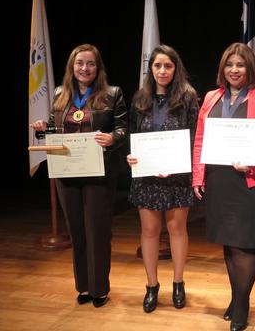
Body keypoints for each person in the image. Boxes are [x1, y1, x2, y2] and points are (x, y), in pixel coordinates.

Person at [30, 43, 127, 307]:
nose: (85, 68)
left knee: (97, 231)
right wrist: (41, 129)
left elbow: (123, 128)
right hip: (67, 173)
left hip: (99, 173)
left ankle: (100, 288)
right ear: (72, 67)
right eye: (80, 63)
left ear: (98, 67)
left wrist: (112, 138)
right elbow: (51, 131)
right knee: (77, 231)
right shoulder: (61, 94)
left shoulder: (112, 93)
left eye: (90, 63)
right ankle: (84, 287)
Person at [192, 42, 255, 331]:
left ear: (250, 67)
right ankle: (237, 297)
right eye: (229, 65)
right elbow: (201, 139)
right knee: (229, 243)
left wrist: (253, 162)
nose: (234, 70)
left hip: (251, 179)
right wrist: (198, 177)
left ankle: (242, 304)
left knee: (247, 243)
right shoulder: (211, 97)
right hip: (219, 179)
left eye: (240, 64)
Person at [127, 45, 199, 313]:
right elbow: (134, 136)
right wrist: (132, 157)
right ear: (151, 69)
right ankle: (151, 286)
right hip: (146, 176)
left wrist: (178, 165)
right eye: (157, 66)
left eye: (168, 66)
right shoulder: (140, 98)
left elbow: (195, 136)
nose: (162, 71)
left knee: (177, 230)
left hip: (178, 176)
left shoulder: (188, 97)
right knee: (149, 232)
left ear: (175, 68)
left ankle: (178, 283)